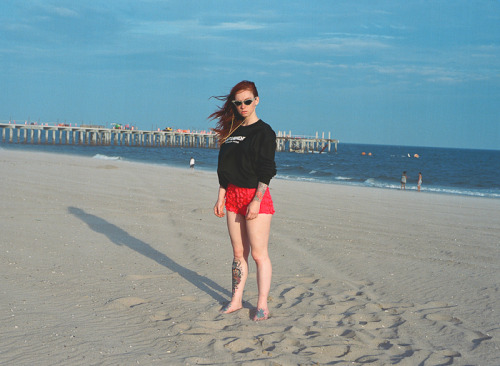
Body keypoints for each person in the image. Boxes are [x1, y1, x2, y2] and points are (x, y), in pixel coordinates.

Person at [209, 80, 277, 321]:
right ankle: (236, 300)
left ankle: (261, 305)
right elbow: (223, 167)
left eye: (248, 101)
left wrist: (256, 201)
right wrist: (221, 196)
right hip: (233, 195)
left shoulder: (265, 132)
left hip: (255, 196)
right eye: (238, 103)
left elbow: (267, 169)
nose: (243, 106)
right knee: (239, 253)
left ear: (256, 100)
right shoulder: (232, 132)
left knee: (259, 254)